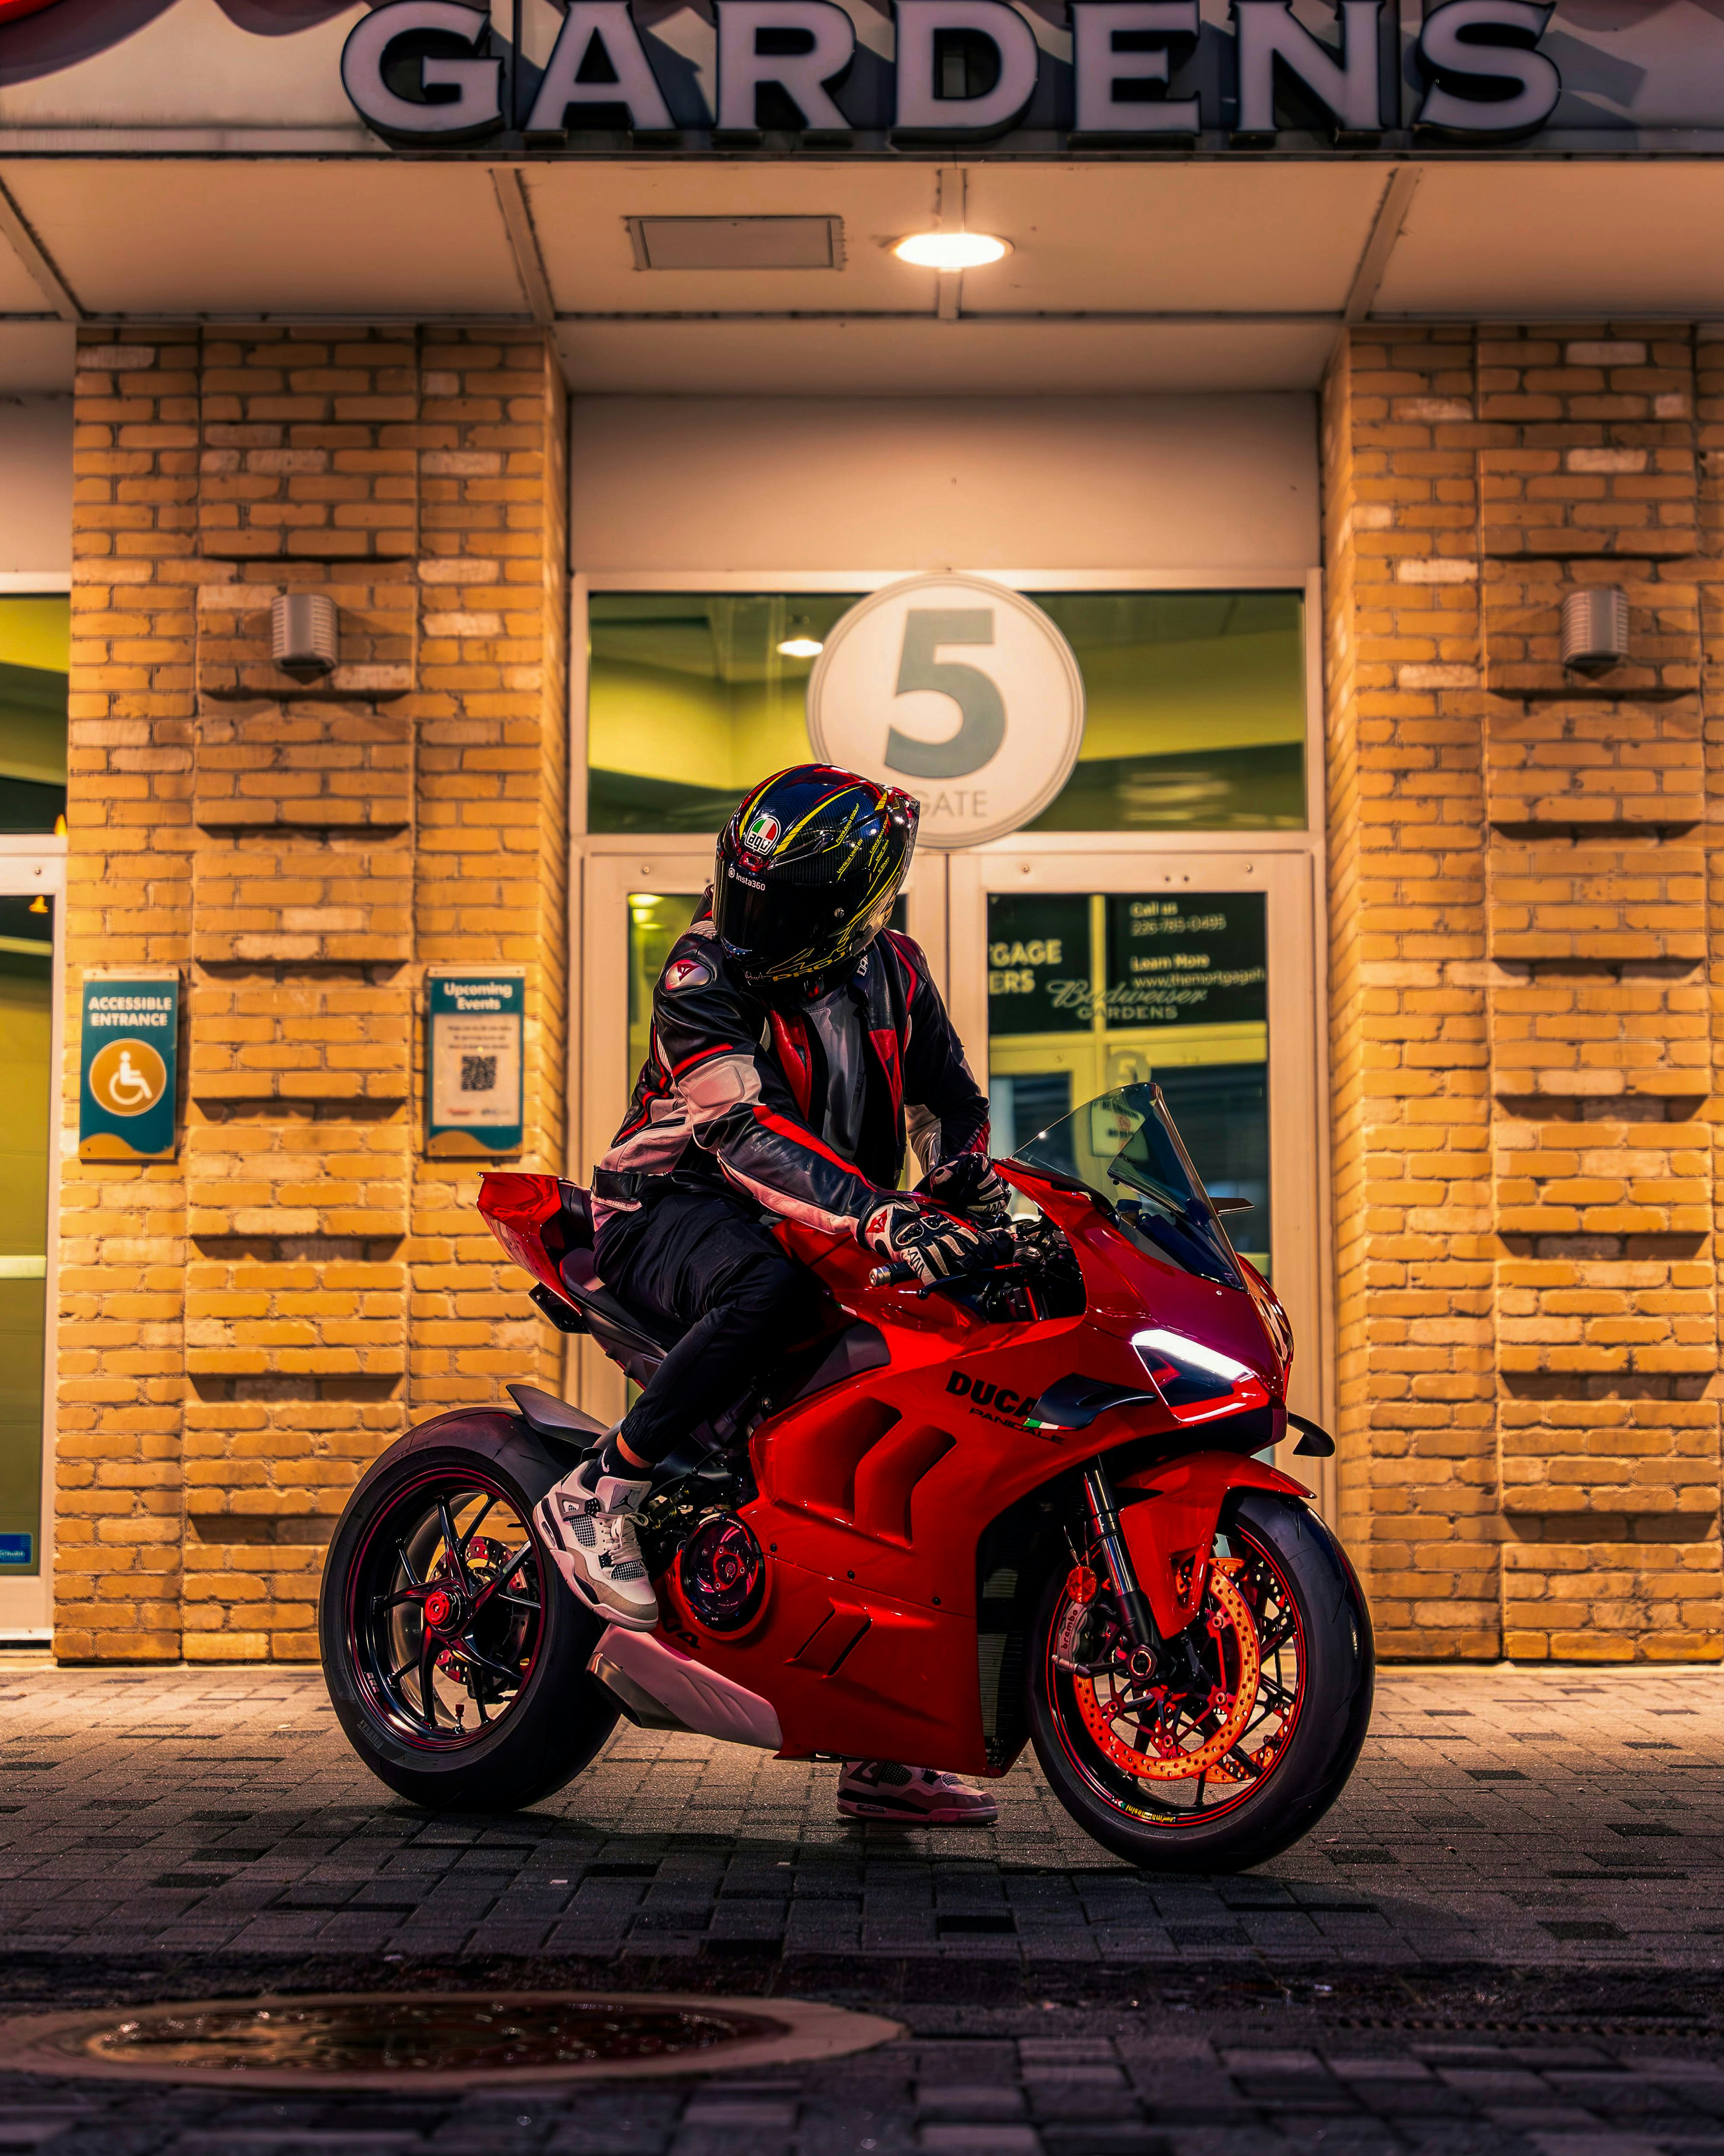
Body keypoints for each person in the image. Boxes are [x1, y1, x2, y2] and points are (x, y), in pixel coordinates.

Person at [534, 764, 1009, 1825]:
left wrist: (969, 1190)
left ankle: (881, 1743)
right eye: (743, 887)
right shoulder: (699, 972)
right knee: (769, 1292)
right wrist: (881, 1214)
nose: (751, 917)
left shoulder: (895, 968)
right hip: (671, 1210)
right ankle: (603, 1486)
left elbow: (950, 1100)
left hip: (822, 1216)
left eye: (781, 903)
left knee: (930, 1398)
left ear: (855, 905)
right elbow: (739, 1134)